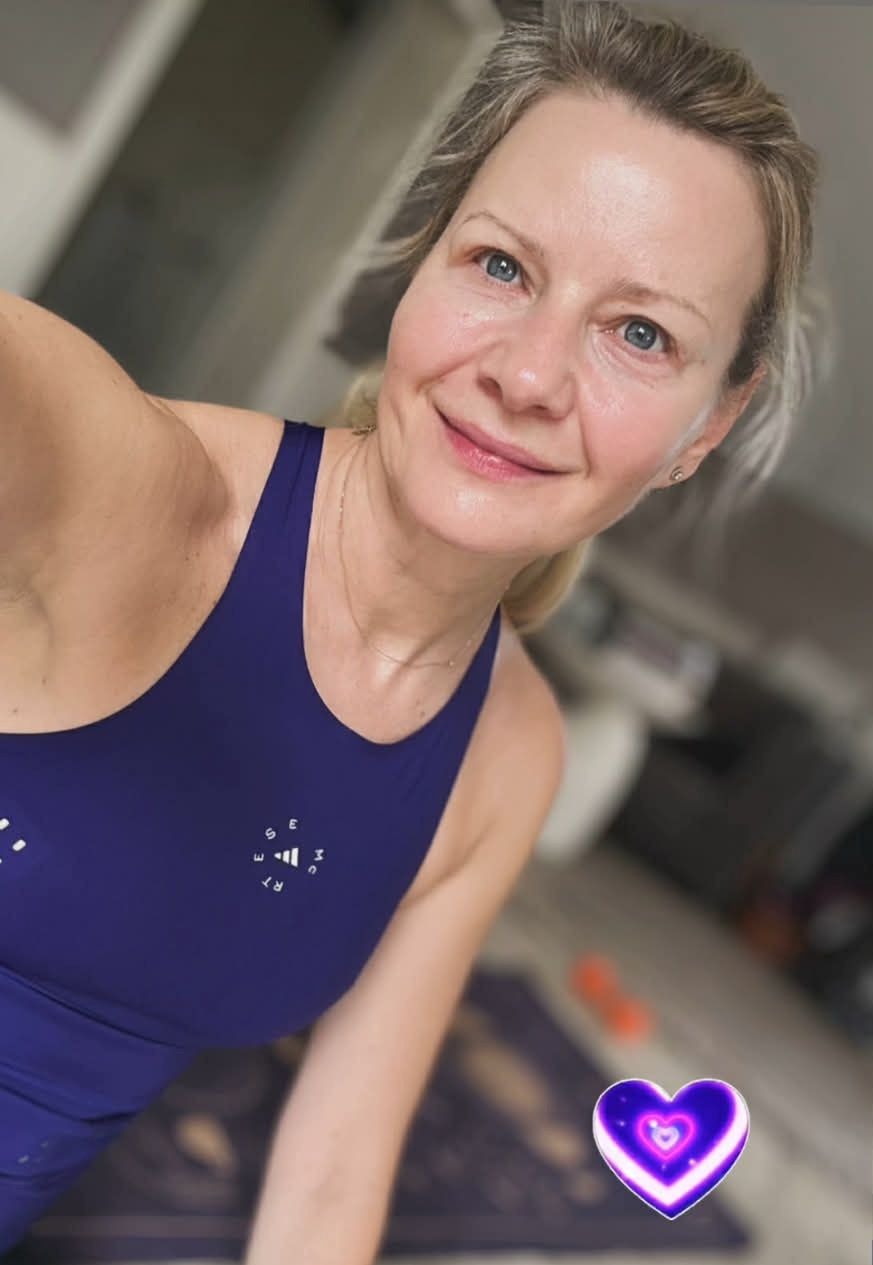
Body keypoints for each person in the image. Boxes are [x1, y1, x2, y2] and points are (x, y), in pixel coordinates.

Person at [0, 1, 820, 1260]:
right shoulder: (146, 500)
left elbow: (331, 1176)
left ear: (705, 427)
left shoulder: (505, 749)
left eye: (640, 334)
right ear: (423, 255)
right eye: (501, 266)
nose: (529, 375)